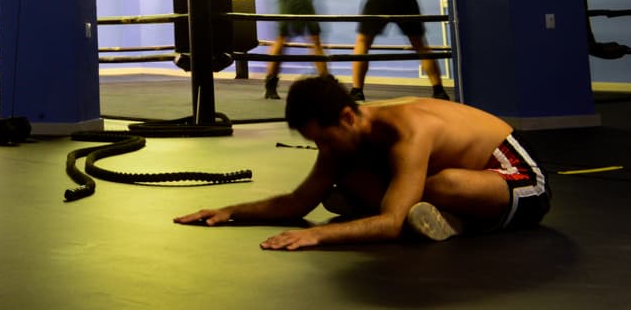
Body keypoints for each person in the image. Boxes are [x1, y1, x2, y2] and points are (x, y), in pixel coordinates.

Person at [174, 74, 549, 248]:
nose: (323, 148)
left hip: (518, 178)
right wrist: (228, 211)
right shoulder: (343, 138)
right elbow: (298, 202)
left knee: (442, 185)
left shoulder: (409, 132)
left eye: (323, 138)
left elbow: (388, 224)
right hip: (451, 181)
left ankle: (460, 222)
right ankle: (450, 218)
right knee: (342, 188)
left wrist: (318, 233)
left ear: (348, 118)